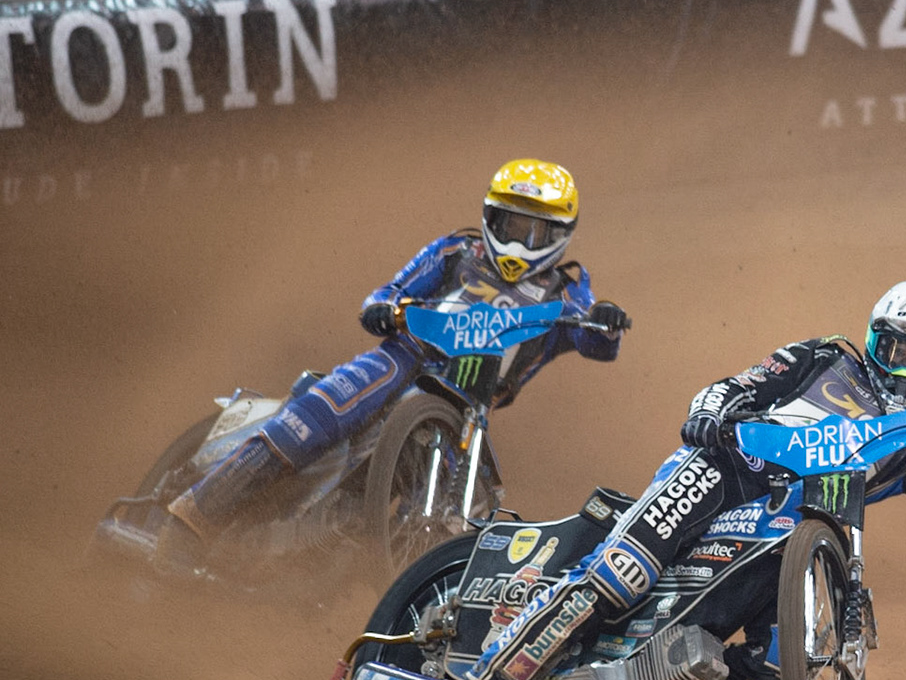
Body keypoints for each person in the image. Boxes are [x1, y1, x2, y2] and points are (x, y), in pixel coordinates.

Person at [449, 281, 906, 680]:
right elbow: (733, 387)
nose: (905, 367)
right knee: (623, 573)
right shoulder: (823, 358)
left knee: (779, 667)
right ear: (872, 340)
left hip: (792, 532)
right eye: (895, 349)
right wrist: (710, 415)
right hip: (721, 472)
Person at [158, 159, 629, 563]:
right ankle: (194, 515)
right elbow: (386, 294)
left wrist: (605, 320)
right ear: (489, 218)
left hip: (469, 408)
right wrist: (385, 309)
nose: (520, 240)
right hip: (406, 358)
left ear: (561, 235)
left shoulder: (566, 290)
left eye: (536, 230)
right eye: (511, 224)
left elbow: (595, 338)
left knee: (481, 505)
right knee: (336, 403)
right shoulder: (456, 251)